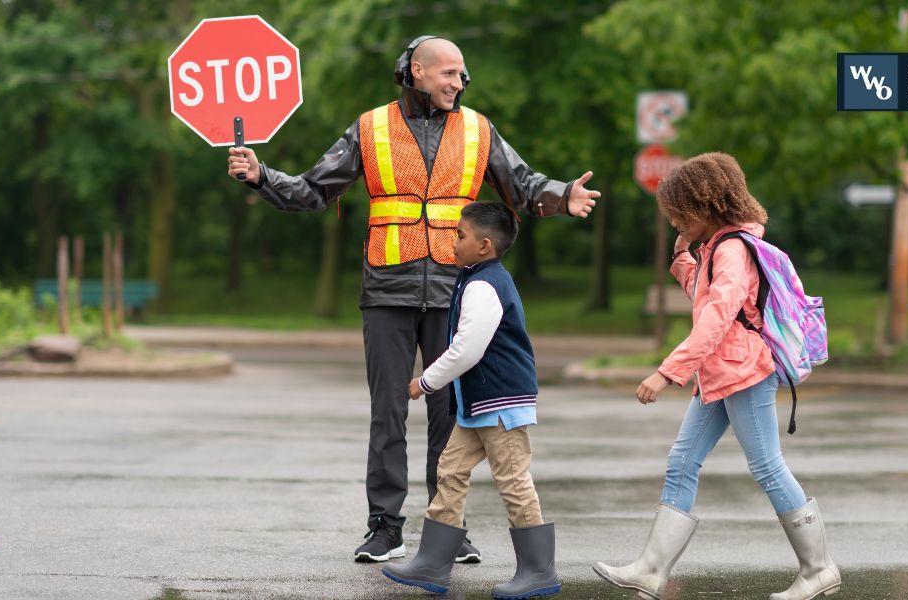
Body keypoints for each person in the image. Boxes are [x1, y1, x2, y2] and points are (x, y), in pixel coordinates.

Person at [227, 36, 600, 563]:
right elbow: (314, 189)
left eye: (463, 75)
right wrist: (261, 175)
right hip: (386, 289)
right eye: (448, 73)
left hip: (456, 289)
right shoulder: (370, 127)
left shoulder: (478, 128)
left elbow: (522, 184)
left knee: (453, 415)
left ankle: (450, 528)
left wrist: (564, 195)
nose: (459, 82)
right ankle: (385, 528)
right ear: (415, 71)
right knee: (388, 413)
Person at [592, 153, 840, 600]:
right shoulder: (718, 248)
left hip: (743, 372)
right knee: (682, 463)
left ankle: (818, 569)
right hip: (720, 374)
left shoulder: (731, 249)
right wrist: (684, 257)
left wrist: (667, 373)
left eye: (677, 217)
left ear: (703, 209)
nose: (672, 223)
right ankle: (650, 571)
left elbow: (717, 319)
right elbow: (706, 298)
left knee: (766, 466)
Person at [382, 202, 559, 599]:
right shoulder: (474, 277)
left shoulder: (484, 284)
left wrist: (426, 381)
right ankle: (432, 562)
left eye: (460, 234)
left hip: (501, 402)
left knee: (513, 480)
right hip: (479, 405)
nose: (453, 240)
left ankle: (538, 570)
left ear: (483, 246)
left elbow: (468, 349)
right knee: (451, 469)